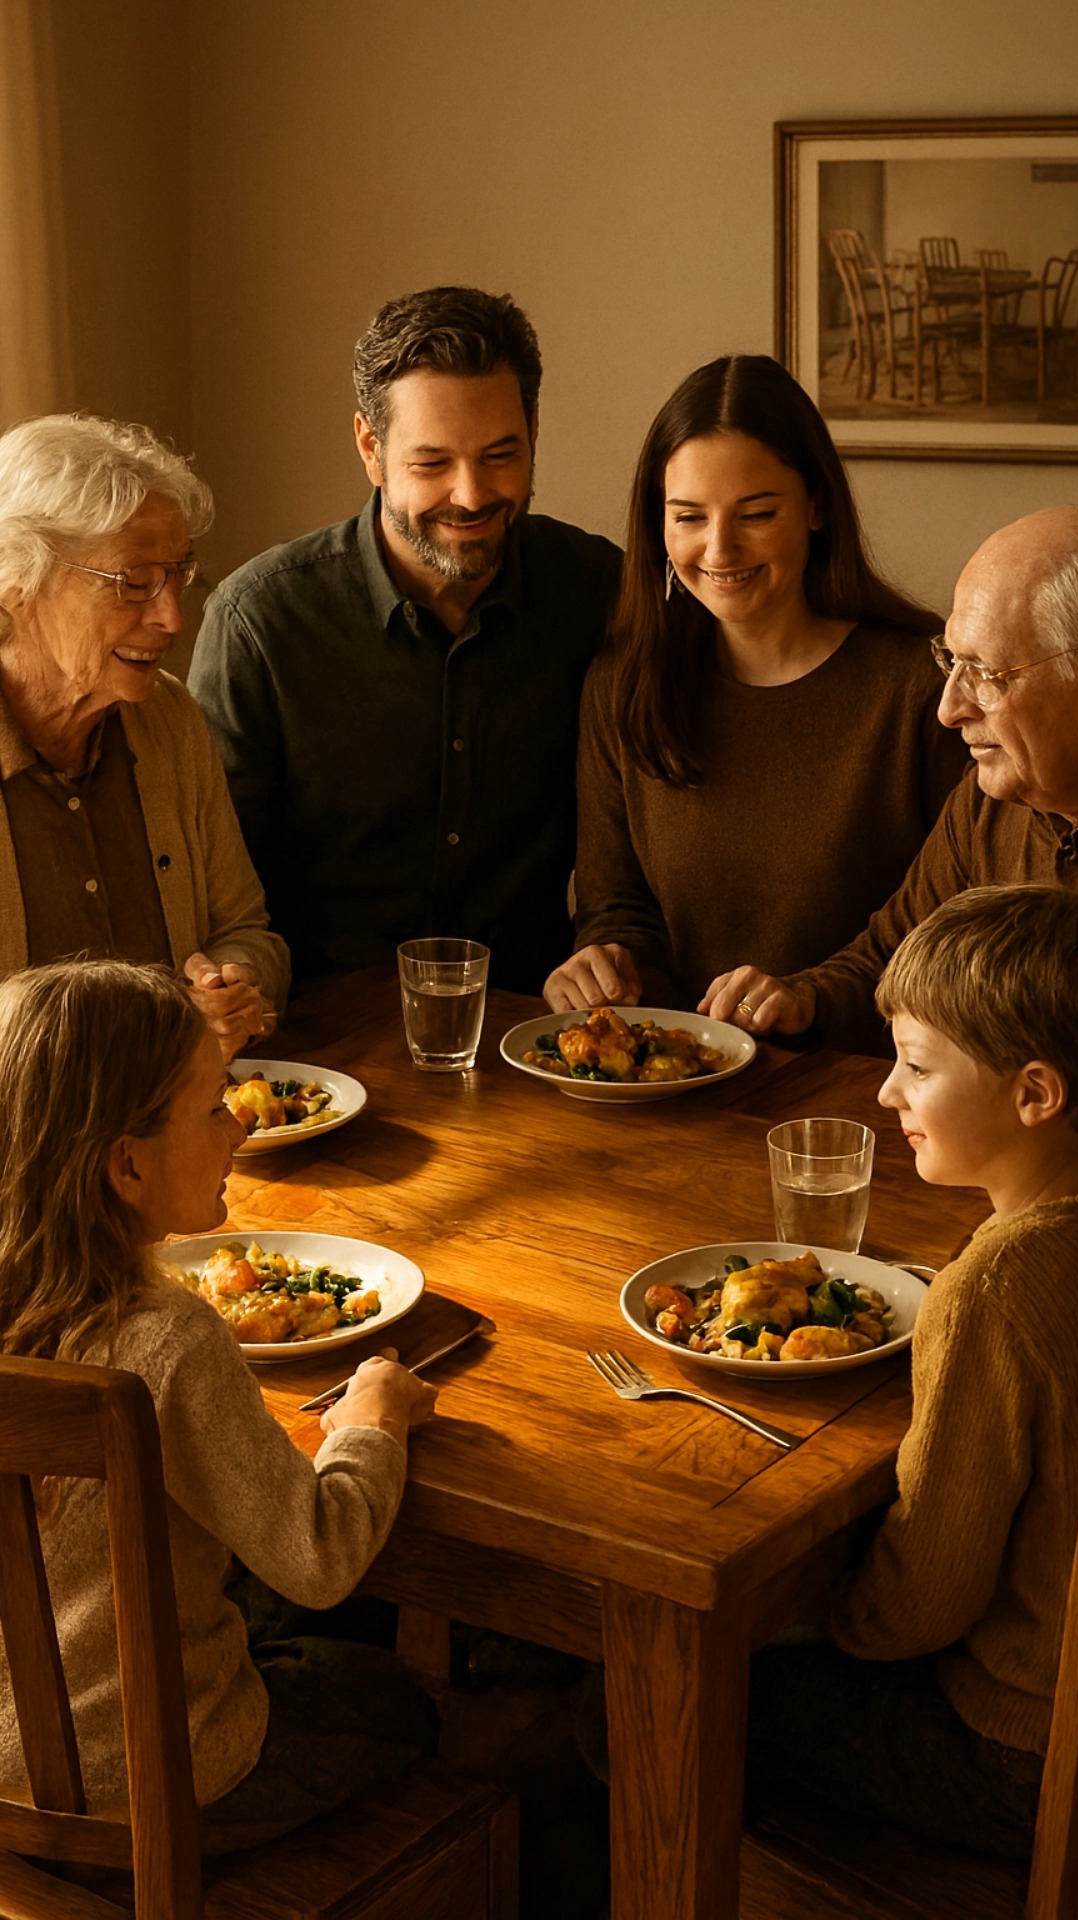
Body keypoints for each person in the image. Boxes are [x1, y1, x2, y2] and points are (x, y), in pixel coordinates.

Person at [579, 883, 1078, 1858]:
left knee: (637, 1701)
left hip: (1019, 1750)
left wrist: (811, 1617)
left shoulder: (997, 1287)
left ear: (1034, 1093)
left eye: (916, 1067)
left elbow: (919, 1602)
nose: (887, 1092)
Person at [0, 958, 437, 1851]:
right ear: (126, 1162)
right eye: (210, 1107)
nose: (237, 1125)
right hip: (153, 1783)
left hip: (3, 1759)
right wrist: (371, 1422)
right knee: (398, 1700)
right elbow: (319, 1555)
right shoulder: (167, 1337)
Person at [189, 286, 623, 995]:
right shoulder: (260, 623)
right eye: (432, 464)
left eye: (499, 455)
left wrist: (611, 940)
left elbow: (644, 835)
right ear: (370, 446)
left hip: (535, 1039)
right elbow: (218, 892)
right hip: (318, 1057)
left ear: (535, 429)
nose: (472, 494)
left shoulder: (600, 592)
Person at [543, 355, 967, 1014]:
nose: (718, 550)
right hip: (679, 1078)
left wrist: (810, 1000)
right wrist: (605, 965)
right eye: (688, 517)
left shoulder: (922, 685)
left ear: (817, 506)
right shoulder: (623, 685)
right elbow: (617, 909)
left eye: (756, 514)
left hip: (871, 1085)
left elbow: (954, 931)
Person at [701, 506, 1078, 1054]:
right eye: (951, 660)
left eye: (987, 674)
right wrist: (805, 999)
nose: (950, 709)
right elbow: (887, 957)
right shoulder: (986, 803)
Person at [0, 414, 289, 1059]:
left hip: (178, 1135)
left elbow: (246, 931)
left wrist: (232, 988)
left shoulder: (170, 721)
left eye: (178, 574)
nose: (172, 618)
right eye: (133, 582)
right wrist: (150, 1028)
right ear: (20, 579)